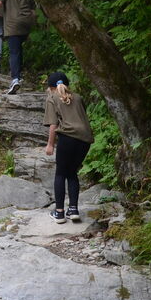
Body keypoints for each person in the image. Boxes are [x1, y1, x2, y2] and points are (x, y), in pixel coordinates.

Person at [43, 72, 94, 224]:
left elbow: (53, 124)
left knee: (60, 174)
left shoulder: (52, 98)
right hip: (84, 139)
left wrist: (50, 144)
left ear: (51, 87)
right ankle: (73, 210)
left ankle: (59, 213)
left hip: (67, 138)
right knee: (72, 173)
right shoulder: (78, 97)